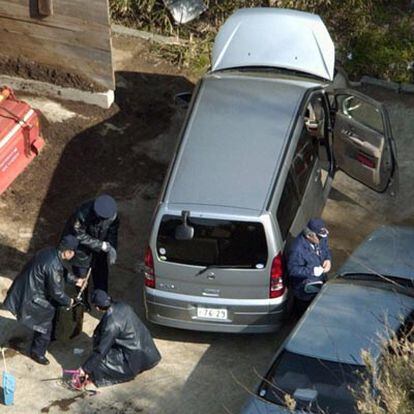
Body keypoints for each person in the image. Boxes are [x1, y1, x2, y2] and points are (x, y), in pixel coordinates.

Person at [3, 235, 82, 365]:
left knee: (43, 323)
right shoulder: (53, 265)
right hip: (34, 296)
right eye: (73, 252)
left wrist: (75, 280)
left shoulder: (49, 252)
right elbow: (56, 292)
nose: (73, 255)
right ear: (67, 251)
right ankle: (37, 352)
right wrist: (70, 301)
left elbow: (60, 274)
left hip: (27, 288)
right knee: (45, 327)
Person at [79, 290, 161, 387]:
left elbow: (101, 350)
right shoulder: (123, 306)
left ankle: (95, 378)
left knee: (98, 364)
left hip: (135, 358)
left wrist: (85, 368)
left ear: (97, 307)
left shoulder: (111, 324)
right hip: (149, 352)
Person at [61, 194, 119, 293]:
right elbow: (78, 235)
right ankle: (83, 301)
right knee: (82, 279)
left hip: (100, 251)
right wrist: (101, 245)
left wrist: (112, 247)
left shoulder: (112, 216)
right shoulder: (82, 214)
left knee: (101, 275)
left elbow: (112, 233)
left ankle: (101, 298)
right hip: (81, 251)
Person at [287, 218, 332, 311]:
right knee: (303, 310)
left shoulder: (321, 237)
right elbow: (292, 270)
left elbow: (326, 248)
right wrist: (312, 271)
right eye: (319, 237)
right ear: (309, 235)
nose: (322, 238)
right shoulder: (297, 250)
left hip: (320, 283)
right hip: (304, 290)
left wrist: (328, 259)